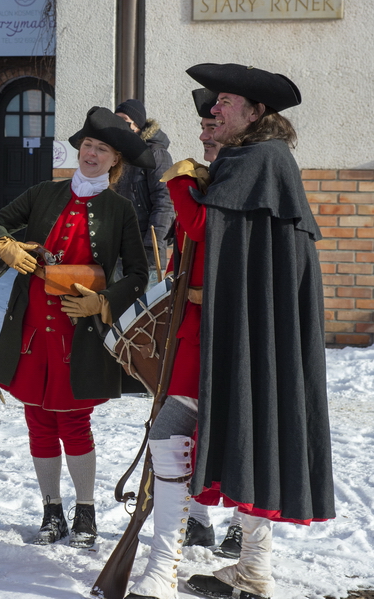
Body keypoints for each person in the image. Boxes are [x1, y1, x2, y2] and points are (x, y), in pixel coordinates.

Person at [125, 64, 335, 599]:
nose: (214, 108)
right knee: (228, 440)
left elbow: (204, 228)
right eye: (214, 102)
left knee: (179, 437)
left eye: (225, 101)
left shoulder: (261, 160)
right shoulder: (251, 162)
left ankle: (164, 571)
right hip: (220, 330)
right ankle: (247, 572)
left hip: (235, 336)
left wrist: (176, 180)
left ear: (256, 113)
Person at [0, 106, 151, 547]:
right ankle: (52, 511)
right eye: (87, 145)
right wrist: (3, 245)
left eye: (101, 149)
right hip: (31, 329)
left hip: (81, 333)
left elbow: (138, 274)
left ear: (113, 161)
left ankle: (84, 513)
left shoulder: (120, 208)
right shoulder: (43, 193)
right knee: (38, 420)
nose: (91, 154)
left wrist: (102, 302)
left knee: (74, 421)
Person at [179, 88, 242, 560]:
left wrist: (179, 187)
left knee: (238, 422)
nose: (205, 135)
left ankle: (243, 520)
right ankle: (195, 519)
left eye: (212, 129)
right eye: (203, 128)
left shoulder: (239, 178)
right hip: (192, 325)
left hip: (235, 324)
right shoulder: (204, 180)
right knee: (182, 423)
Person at [113, 99, 174, 283]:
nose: (119, 127)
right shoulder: (117, 154)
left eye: (124, 121)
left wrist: (152, 245)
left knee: (143, 309)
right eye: (115, 121)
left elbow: (165, 202)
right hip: (117, 252)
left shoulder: (156, 154)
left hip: (146, 254)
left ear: (137, 126)